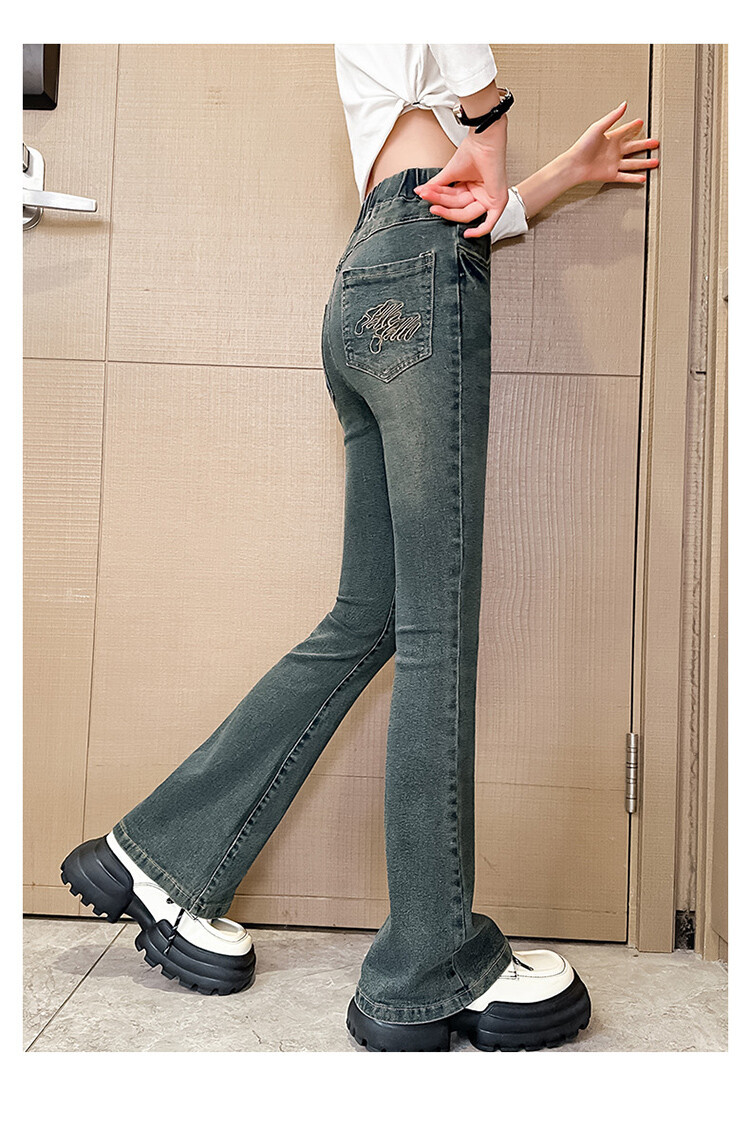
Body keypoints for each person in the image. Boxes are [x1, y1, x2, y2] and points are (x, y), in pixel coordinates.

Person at [60, 43, 659, 1053]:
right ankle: (429, 964)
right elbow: (452, 180)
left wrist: (557, 175)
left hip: (371, 274)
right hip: (421, 271)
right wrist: (493, 125)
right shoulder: (451, 94)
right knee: (435, 632)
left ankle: (160, 854)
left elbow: (449, 197)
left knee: (373, 616)